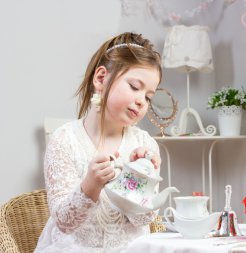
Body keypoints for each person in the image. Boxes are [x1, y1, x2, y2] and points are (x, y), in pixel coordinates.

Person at [34, 32, 163, 252]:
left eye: (149, 96)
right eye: (134, 86)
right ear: (101, 78)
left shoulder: (144, 144)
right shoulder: (65, 140)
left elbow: (145, 220)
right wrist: (90, 185)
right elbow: (64, 222)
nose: (142, 101)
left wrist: (141, 177)